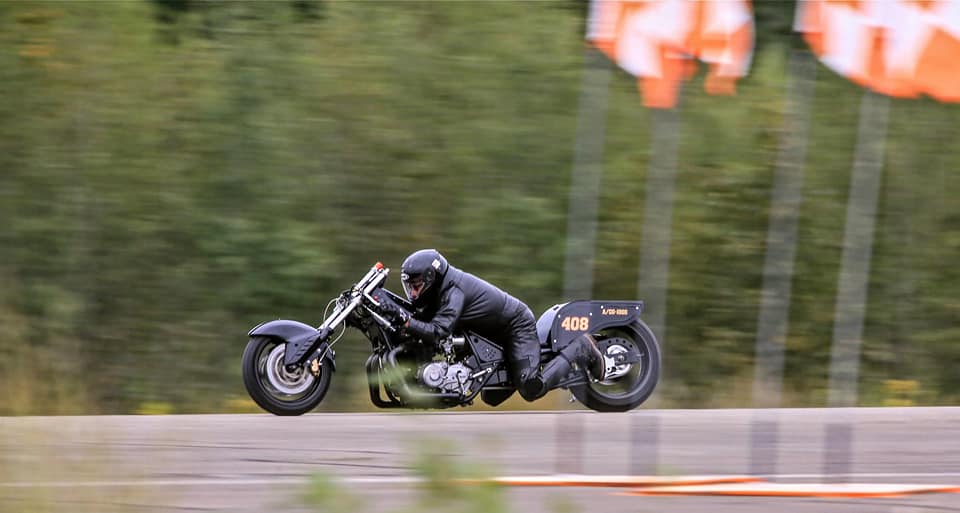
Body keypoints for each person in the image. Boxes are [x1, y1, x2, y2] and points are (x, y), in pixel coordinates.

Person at [374, 248, 606, 403]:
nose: (413, 292)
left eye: (417, 285)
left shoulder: (454, 291)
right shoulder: (438, 290)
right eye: (410, 286)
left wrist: (404, 319)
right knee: (490, 397)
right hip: (489, 336)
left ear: (431, 277)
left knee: (530, 387)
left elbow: (437, 332)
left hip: (514, 326)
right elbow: (420, 321)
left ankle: (581, 347)